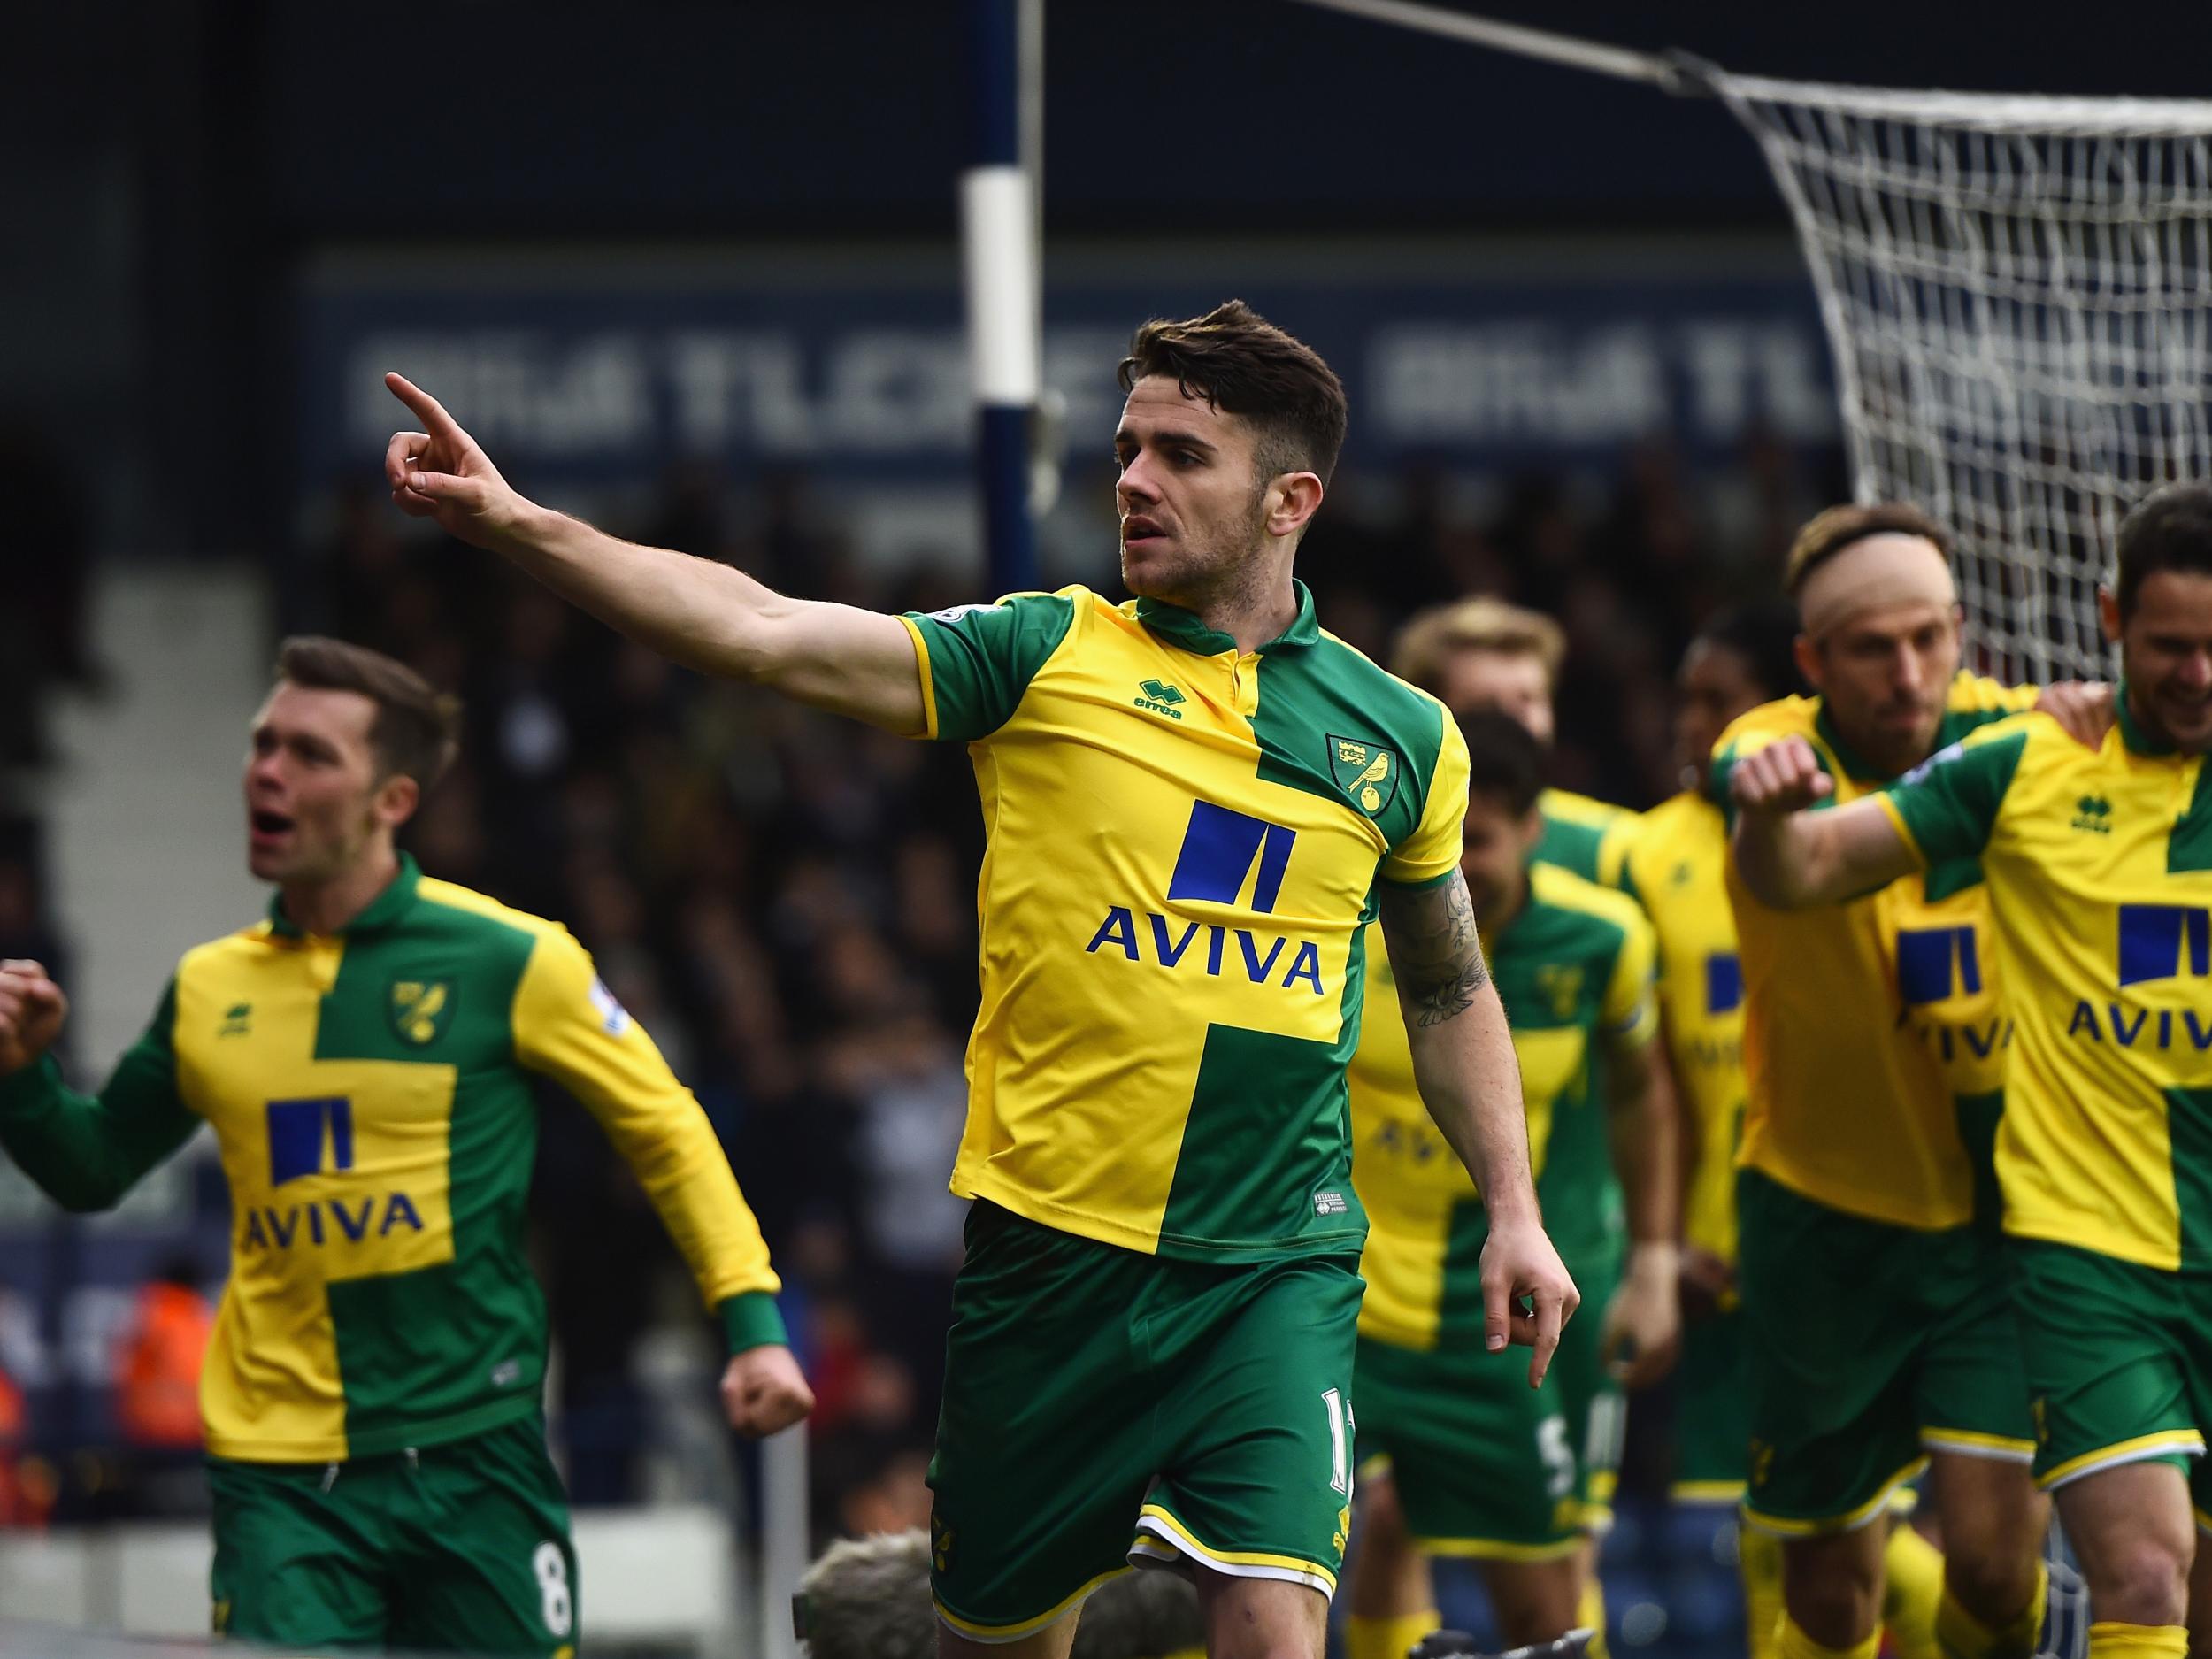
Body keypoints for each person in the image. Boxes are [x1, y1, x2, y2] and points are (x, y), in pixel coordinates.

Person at [381, 299, 1578, 1659]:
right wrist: (525, 524)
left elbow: (1446, 986)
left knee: (1272, 1627)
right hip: (1046, 1259)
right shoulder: (1041, 654)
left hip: (1272, 1261)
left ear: (1290, 496)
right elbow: (763, 627)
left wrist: (1515, 1207)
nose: (1131, 477)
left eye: (1181, 454)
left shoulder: (1402, 734)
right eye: (1127, 447)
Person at [0, 637, 813, 1655]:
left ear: (392, 800)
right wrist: (22, 1078)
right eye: (262, 745)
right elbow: (93, 1167)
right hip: (283, 1483)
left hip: (479, 1458)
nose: (267, 770)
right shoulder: (210, 989)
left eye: (309, 754)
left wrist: (752, 1323)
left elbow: (664, 1126)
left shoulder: (512, 959)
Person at [1725, 481, 2212, 1659]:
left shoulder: (2028, 726)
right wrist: (1767, 816)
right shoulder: (1774, 749)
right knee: (1840, 1591)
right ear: (1814, 659)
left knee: (2001, 1574)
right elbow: (1793, 866)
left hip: (1994, 1213)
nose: (1907, 673)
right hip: (1841, 1219)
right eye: (1872, 647)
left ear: (1963, 638)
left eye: (1929, 639)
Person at [1343, 711, 1676, 1659]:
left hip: (1482, 1322)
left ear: (1534, 827)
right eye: (1436, 841)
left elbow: (1640, 1096)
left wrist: (1649, 1259)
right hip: (1339, 1303)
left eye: (1477, 842)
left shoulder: (1601, 941)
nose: (1453, 866)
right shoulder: (1349, 917)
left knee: (1545, 1607)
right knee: (1259, 1569)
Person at [1389, 598, 1634, 886]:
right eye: (1485, 705)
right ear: (1425, 718)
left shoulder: (1616, 847)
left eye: (1527, 700)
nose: (1514, 724)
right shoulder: (1378, 837)